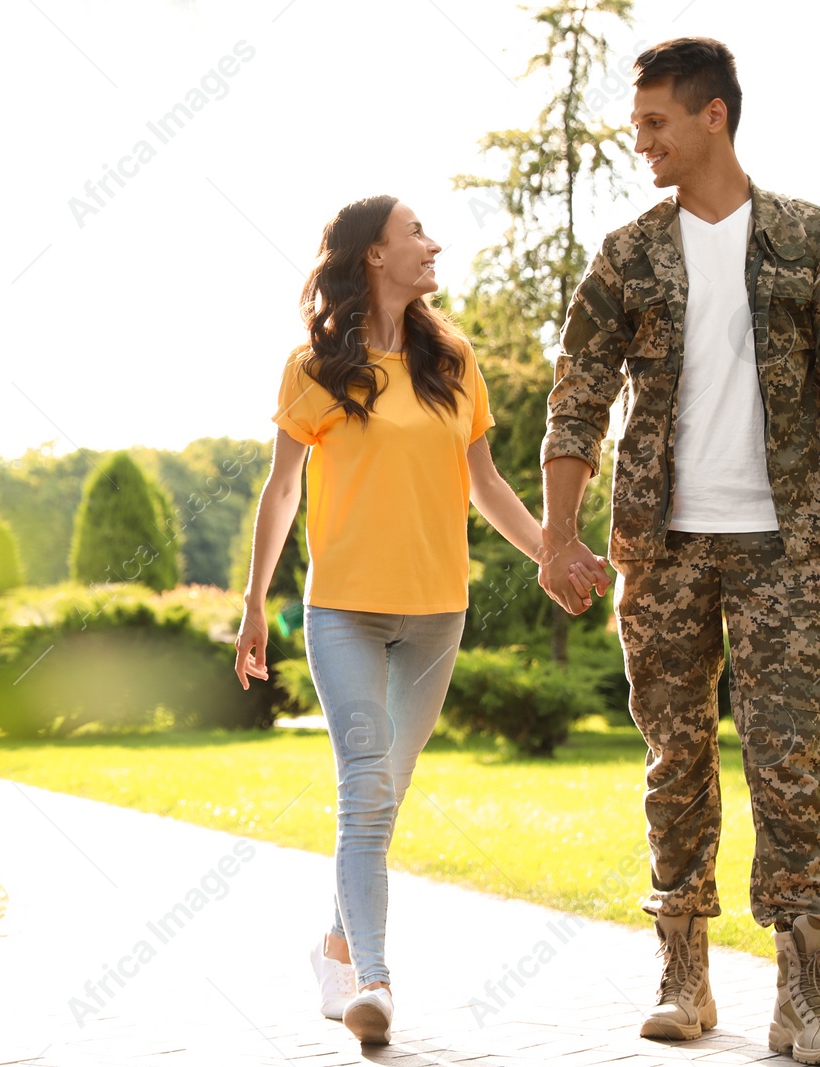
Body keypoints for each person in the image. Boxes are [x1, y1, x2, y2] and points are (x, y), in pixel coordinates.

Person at [540, 37, 820, 1067]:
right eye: (635, 121)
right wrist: (557, 532)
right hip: (660, 545)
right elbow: (578, 396)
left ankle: (803, 993)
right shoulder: (625, 254)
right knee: (674, 758)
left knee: (791, 759)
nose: (636, 138)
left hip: (784, 542)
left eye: (652, 121)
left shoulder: (811, 240)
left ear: (711, 119)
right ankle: (681, 972)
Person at [233, 194, 608, 1046]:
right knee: (364, 789)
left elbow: (485, 482)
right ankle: (374, 980)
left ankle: (334, 945)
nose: (432, 244)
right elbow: (282, 489)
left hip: (439, 612)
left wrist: (551, 548)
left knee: (384, 792)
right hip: (343, 614)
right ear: (373, 254)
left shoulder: (451, 359)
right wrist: (256, 600)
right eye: (415, 234)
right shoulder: (313, 367)